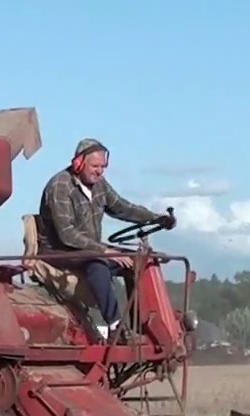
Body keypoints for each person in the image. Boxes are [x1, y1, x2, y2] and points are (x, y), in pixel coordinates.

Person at [37, 138, 176, 340]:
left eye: (103, 166)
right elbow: (67, 234)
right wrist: (103, 250)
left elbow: (122, 207)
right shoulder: (60, 186)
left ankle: (144, 327)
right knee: (97, 263)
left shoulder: (100, 185)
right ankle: (115, 327)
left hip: (87, 249)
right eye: (95, 166)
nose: (100, 171)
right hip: (58, 251)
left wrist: (156, 217)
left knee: (138, 260)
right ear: (78, 164)